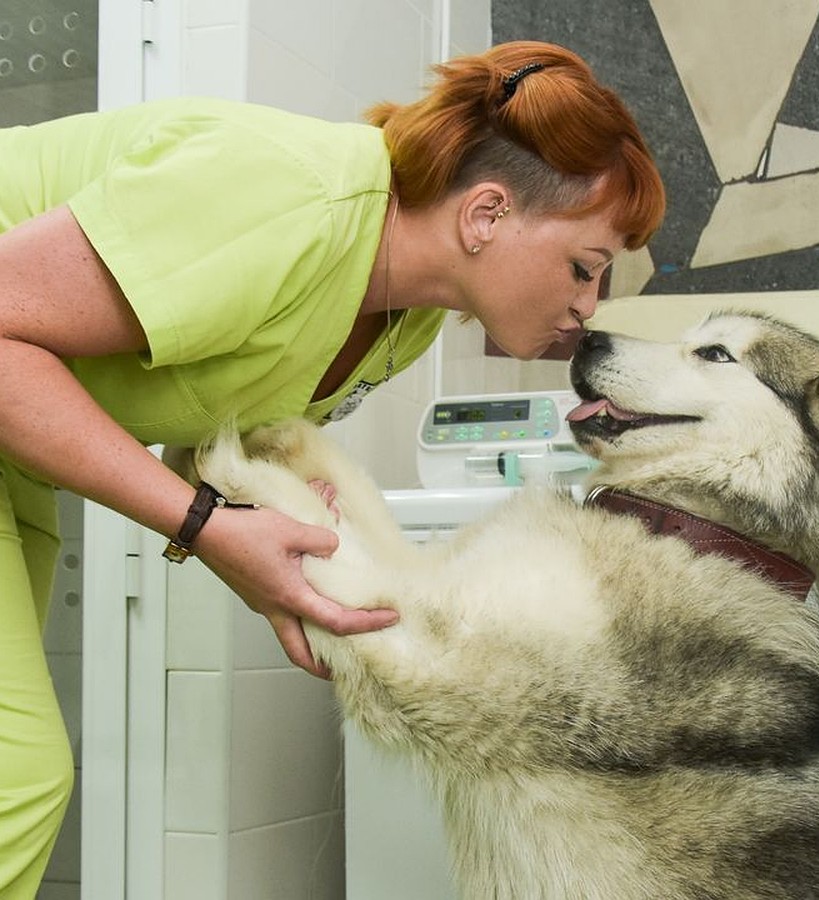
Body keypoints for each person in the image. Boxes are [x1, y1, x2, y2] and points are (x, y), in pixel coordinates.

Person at [0, 39, 665, 896]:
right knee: (20, 776)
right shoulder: (287, 196)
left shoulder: (405, 320)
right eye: (585, 266)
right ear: (486, 214)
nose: (588, 307)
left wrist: (273, 535)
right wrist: (204, 527)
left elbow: (206, 418)